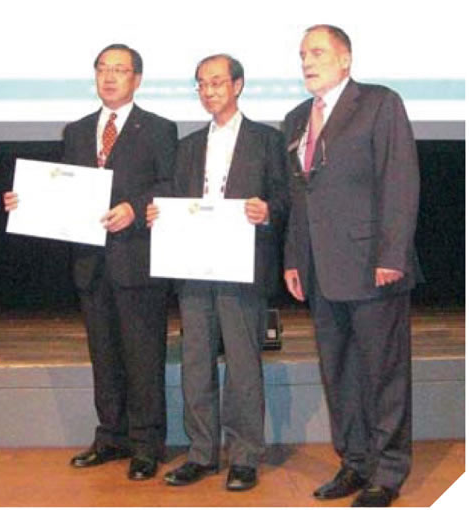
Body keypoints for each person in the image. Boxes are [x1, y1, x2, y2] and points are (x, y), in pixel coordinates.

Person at [4, 44, 178, 481]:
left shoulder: (159, 128)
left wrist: (135, 208)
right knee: (104, 357)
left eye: (119, 70)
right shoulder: (78, 131)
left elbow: (170, 184)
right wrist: (27, 202)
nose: (110, 77)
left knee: (143, 358)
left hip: (136, 261)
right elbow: (65, 191)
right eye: (103, 69)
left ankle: (146, 444)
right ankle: (111, 437)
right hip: (91, 264)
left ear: (137, 78)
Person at [283, 25, 421, 507]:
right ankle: (355, 462)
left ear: (345, 59)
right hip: (321, 270)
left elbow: (400, 180)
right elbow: (299, 197)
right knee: (338, 373)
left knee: (383, 374)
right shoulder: (296, 118)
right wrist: (294, 258)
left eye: (318, 52)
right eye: (303, 54)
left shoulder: (379, 103)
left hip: (371, 266)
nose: (307, 61)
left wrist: (392, 254)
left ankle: (388, 471)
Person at [147, 54, 289, 491]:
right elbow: (174, 197)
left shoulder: (267, 140)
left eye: (216, 82)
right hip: (193, 266)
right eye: (201, 84)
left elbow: (286, 198)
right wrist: (158, 214)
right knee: (195, 364)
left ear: (238, 85)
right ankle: (201, 453)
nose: (208, 91)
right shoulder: (188, 145)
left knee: (243, 364)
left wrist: (267, 211)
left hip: (242, 266)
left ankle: (244, 456)